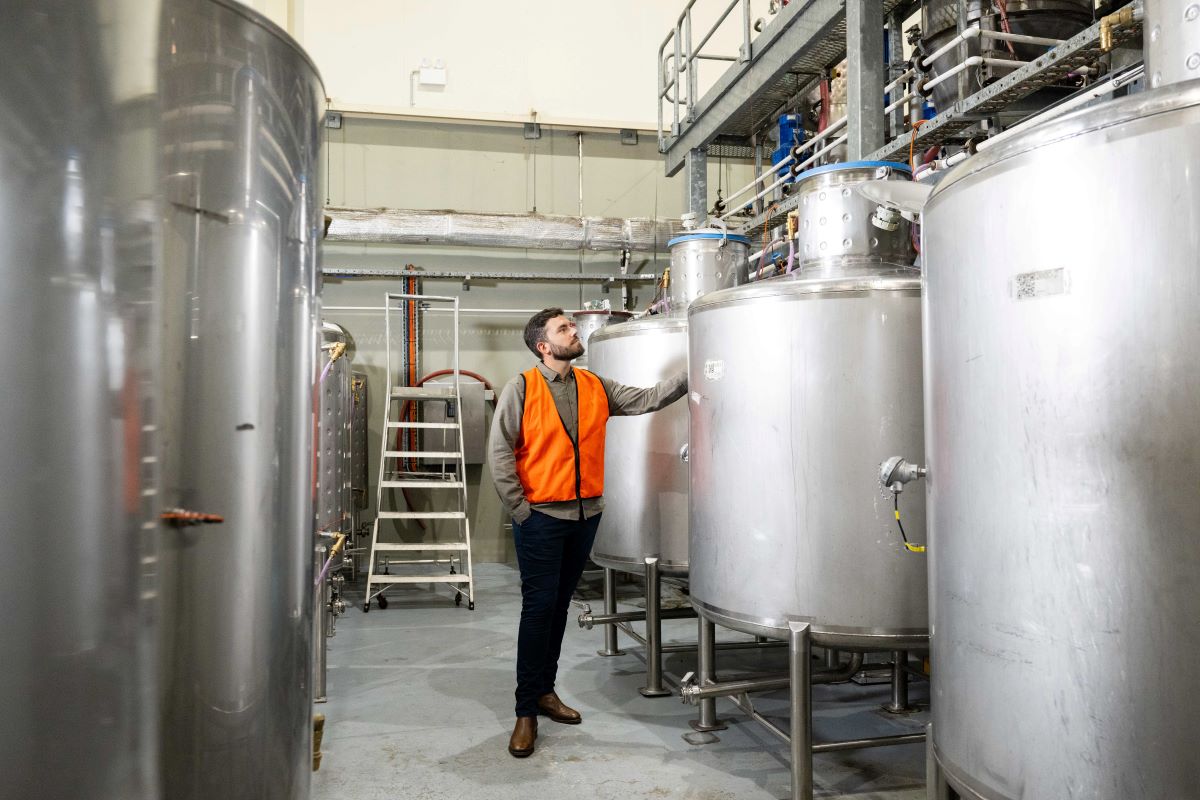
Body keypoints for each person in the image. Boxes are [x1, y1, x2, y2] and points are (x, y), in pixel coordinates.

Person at [488, 307, 687, 758]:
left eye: (572, 326)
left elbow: (648, 398)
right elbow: (500, 450)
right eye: (564, 329)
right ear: (544, 345)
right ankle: (525, 710)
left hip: (584, 517)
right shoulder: (521, 387)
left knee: (558, 608)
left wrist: (692, 374)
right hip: (539, 517)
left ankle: (546, 691)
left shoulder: (594, 384)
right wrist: (521, 510)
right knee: (538, 610)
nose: (574, 332)